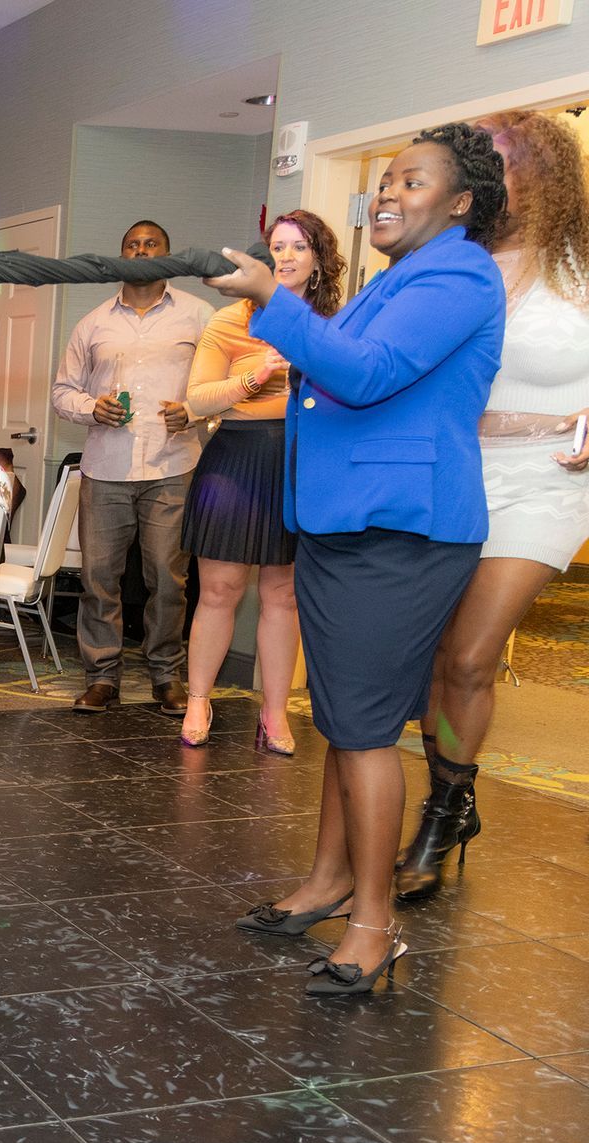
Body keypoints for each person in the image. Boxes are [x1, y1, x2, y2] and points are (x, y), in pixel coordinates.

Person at [211, 123, 506, 996]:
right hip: (351, 524)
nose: (386, 193)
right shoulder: (398, 278)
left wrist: (274, 296)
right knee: (345, 718)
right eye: (382, 181)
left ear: (459, 203)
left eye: (410, 182)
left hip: (403, 531)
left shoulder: (458, 271)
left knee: (367, 729)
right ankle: (328, 881)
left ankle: (373, 928)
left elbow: (366, 375)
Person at [397, 109, 589, 900]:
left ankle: (440, 813)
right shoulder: (449, 260)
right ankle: (457, 788)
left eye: (499, 159)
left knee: (472, 655)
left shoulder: (579, 267)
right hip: (450, 475)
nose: (482, 171)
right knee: (436, 662)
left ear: (542, 172)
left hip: (547, 478)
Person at [181, 211, 346, 754]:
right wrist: (255, 376)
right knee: (220, 590)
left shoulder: (337, 323)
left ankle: (275, 714)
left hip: (304, 462)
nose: (287, 257)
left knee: (284, 596)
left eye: (300, 246)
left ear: (319, 257)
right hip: (237, 458)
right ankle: (199, 699)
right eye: (277, 247)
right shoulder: (229, 321)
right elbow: (197, 400)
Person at [52, 220, 214, 716]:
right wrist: (90, 408)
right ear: (120, 255)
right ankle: (102, 678)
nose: (142, 251)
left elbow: (225, 384)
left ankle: (167, 677)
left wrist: (196, 409)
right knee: (99, 578)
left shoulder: (199, 316)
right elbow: (62, 392)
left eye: (152, 245)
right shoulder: (93, 322)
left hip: (173, 466)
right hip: (105, 470)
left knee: (169, 579)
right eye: (132, 245)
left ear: (169, 254)